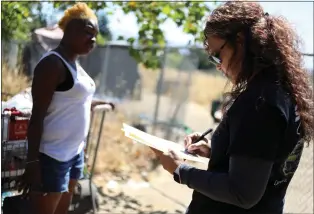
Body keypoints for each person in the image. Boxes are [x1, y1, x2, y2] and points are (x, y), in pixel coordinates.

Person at [151, 1, 314, 214]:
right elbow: (264, 160)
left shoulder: (259, 103)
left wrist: (180, 170)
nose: (218, 65)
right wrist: (219, 151)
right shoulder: (283, 91)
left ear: (240, 41)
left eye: (217, 54)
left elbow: (243, 193)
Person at [18, 3, 114, 214]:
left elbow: (74, 101)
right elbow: (37, 117)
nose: (93, 39)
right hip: (52, 156)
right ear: (69, 30)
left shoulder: (76, 65)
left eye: (95, 35)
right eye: (88, 32)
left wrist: (99, 103)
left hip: (74, 153)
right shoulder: (52, 64)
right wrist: (33, 163)